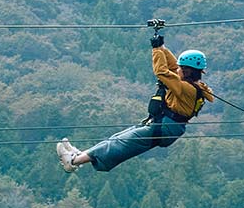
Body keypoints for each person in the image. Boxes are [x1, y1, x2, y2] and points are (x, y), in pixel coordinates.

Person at [60, 20, 212, 173]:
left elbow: (162, 72)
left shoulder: (186, 88)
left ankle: (73, 161)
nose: (177, 69)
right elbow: (173, 66)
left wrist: (156, 50)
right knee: (118, 137)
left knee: (120, 144)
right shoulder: (191, 84)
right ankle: (80, 155)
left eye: (181, 68)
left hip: (165, 128)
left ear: (187, 71)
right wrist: (161, 47)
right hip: (164, 125)